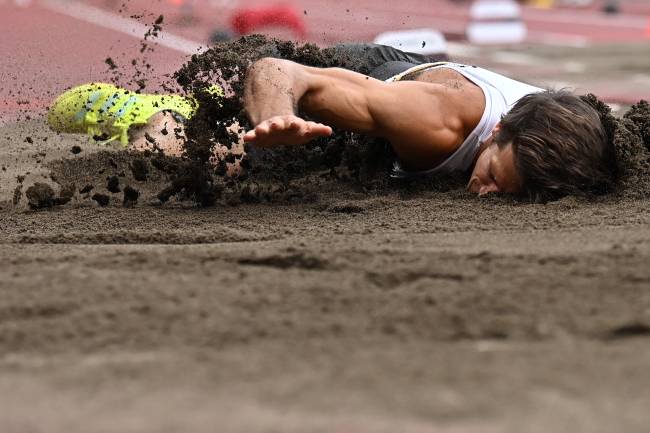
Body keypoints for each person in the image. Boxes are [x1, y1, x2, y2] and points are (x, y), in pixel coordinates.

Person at [47, 43, 616, 200]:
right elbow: (277, 70)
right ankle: (148, 115)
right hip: (369, 84)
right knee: (222, 166)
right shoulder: (438, 125)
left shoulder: (583, 136)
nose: (487, 192)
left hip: (432, 80)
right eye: (494, 172)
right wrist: (275, 122)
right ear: (495, 134)